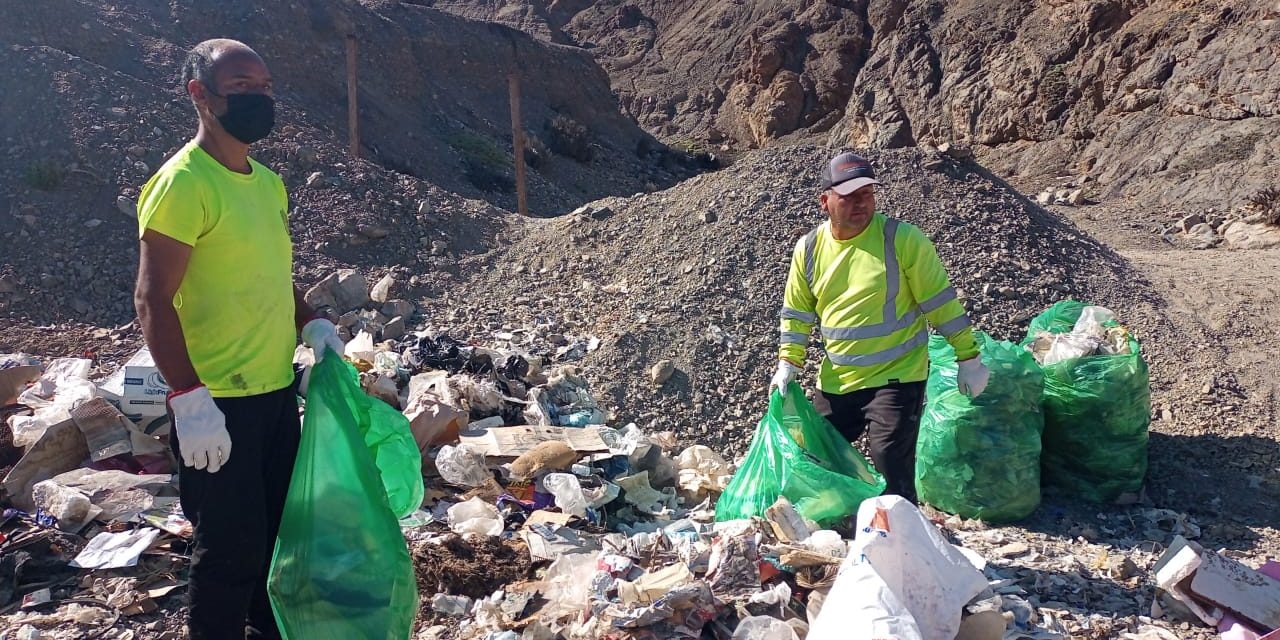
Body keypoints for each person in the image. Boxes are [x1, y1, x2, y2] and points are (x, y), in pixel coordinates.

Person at [133, 38, 343, 639]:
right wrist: (189, 399)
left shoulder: (268, 184)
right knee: (228, 552)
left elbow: (267, 276)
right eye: (242, 87)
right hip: (217, 404)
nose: (259, 97)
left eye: (266, 86)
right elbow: (151, 299)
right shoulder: (183, 183)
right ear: (201, 95)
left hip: (275, 394)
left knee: (278, 538)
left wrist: (311, 321)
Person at [772, 151, 990, 503]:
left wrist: (968, 357)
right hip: (839, 378)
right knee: (820, 455)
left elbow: (940, 303)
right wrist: (788, 363)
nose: (861, 203)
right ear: (824, 201)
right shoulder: (809, 249)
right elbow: (797, 313)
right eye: (850, 196)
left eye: (868, 194)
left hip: (896, 377)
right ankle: (843, 531)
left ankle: (903, 541)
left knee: (889, 459)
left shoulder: (902, 240)